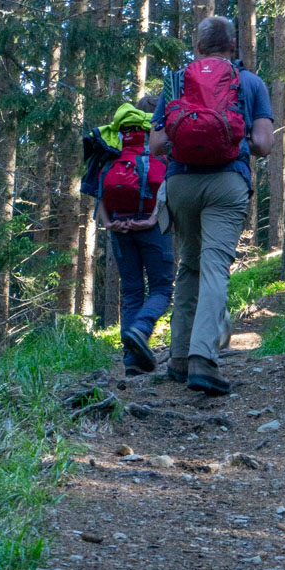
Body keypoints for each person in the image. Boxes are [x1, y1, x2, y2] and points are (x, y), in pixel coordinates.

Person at [150, 16, 273, 395]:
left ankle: (180, 358)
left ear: (198, 47)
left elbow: (155, 146)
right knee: (214, 267)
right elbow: (264, 144)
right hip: (227, 182)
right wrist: (234, 140)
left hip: (181, 182)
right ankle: (204, 360)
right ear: (233, 47)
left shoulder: (176, 81)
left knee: (188, 265)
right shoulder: (250, 83)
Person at [95, 95, 174, 376]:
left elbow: (98, 188)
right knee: (163, 288)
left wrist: (109, 223)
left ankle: (131, 360)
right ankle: (140, 330)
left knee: (131, 290)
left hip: (118, 225)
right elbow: (168, 186)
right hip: (151, 226)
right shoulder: (162, 143)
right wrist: (151, 219)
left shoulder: (114, 142)